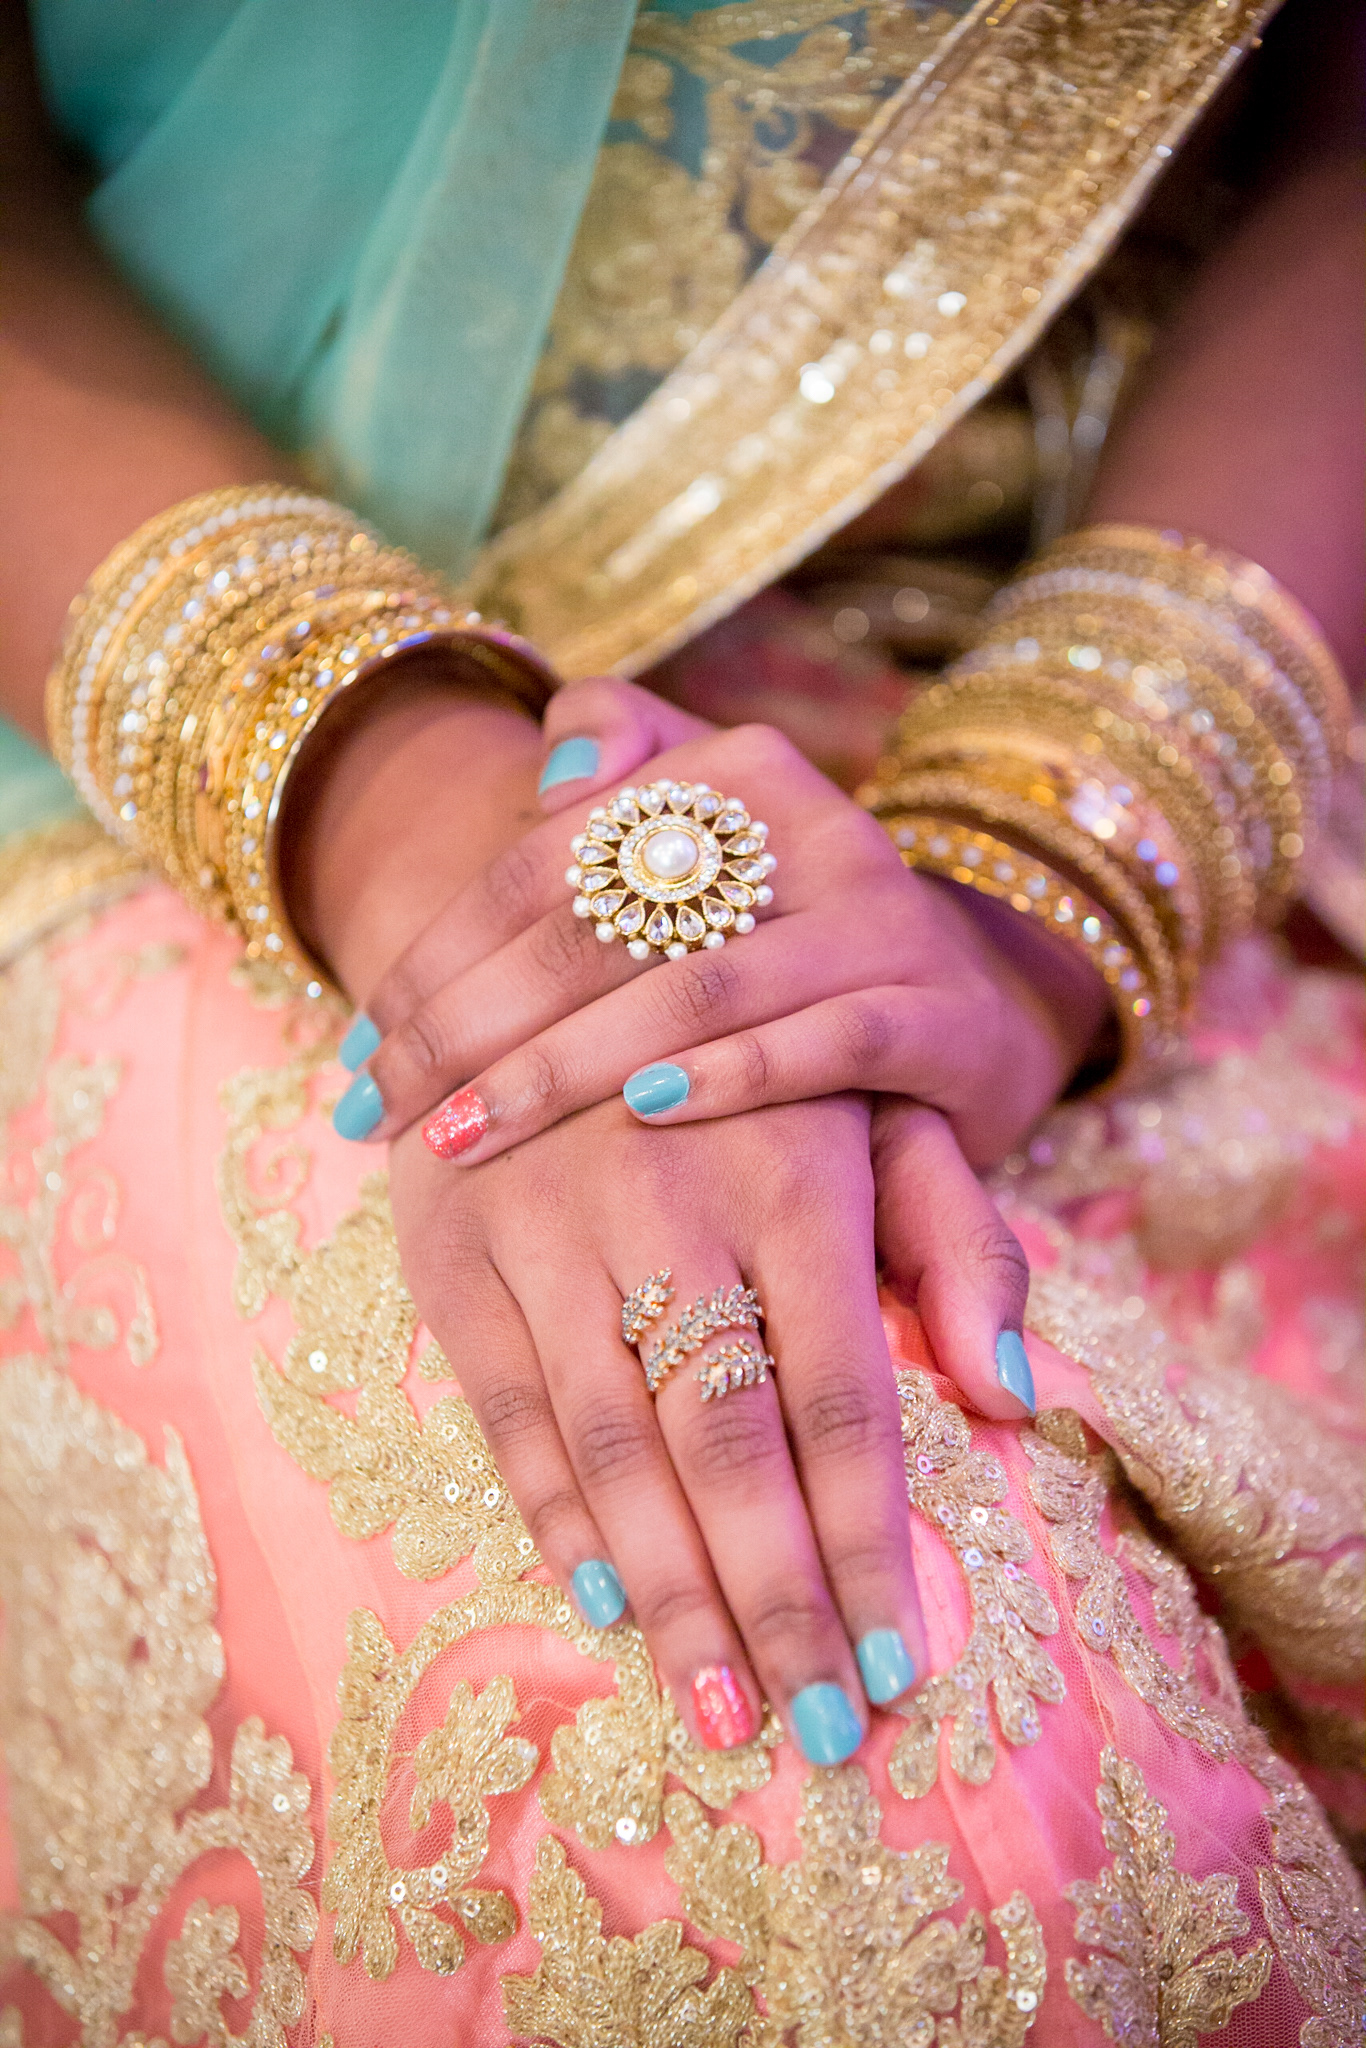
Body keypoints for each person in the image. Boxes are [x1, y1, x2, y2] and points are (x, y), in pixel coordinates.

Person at [0, 2, 1361, 2041]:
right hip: (169, 650)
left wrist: (1037, 878)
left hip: (1130, 625)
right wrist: (401, 818)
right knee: (867, 1814)